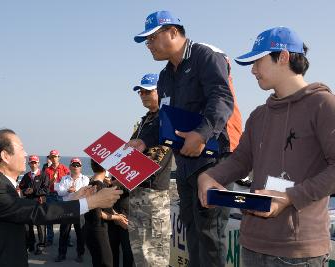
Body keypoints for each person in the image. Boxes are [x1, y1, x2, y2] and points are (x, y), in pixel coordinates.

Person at [198, 27, 333, 267]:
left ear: (282, 57)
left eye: (257, 61)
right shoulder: (259, 115)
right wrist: (210, 176)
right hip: (252, 245)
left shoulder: (323, 105)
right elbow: (241, 159)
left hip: (298, 252)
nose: (252, 70)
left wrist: (289, 197)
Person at [129, 10, 242, 267]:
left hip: (214, 159)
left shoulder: (204, 56)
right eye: (146, 41)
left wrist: (202, 134)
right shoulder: (165, 75)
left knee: (210, 234)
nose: (148, 45)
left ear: (173, 32)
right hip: (185, 163)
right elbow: (164, 117)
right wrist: (143, 141)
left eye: (151, 38)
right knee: (192, 231)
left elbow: (222, 99)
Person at [0, 129, 123, 267]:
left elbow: (30, 211)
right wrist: (92, 202)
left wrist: (74, 199)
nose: (26, 154)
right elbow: (36, 212)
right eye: (21, 148)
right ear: (5, 156)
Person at [127, 73, 173, 266]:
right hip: (136, 193)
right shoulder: (144, 121)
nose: (144, 95)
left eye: (148, 90)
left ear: (160, 91)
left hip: (154, 197)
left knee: (155, 255)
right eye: (141, 91)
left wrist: (124, 169)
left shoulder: (167, 118)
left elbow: (155, 158)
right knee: (140, 254)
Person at [84, 160, 128, 267]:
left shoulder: (91, 184)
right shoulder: (99, 186)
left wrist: (116, 215)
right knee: (106, 263)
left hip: (90, 228)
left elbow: (105, 206)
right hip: (98, 230)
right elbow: (98, 213)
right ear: (106, 168)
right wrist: (116, 218)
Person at [54, 157, 89, 263]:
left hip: (80, 207)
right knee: (64, 232)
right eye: (74, 165)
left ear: (81, 167)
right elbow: (59, 192)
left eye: (78, 165)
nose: (75, 167)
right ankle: (61, 254)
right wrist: (68, 191)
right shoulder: (65, 178)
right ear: (70, 166)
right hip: (67, 207)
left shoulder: (85, 179)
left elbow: (86, 192)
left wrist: (76, 191)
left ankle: (80, 254)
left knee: (80, 233)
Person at [18, 155, 49, 255]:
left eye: (35, 162)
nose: (33, 164)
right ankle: (30, 244)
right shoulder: (26, 176)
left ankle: (41, 245)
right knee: (28, 226)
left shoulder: (44, 175)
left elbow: (46, 189)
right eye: (31, 162)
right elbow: (21, 187)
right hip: (28, 203)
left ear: (38, 163)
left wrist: (34, 190)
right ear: (29, 164)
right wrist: (25, 191)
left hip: (40, 203)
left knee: (40, 225)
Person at [44, 149, 70, 245]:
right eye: (52, 157)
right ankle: (50, 239)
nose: (54, 158)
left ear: (58, 157)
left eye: (55, 157)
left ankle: (67, 239)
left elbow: (69, 181)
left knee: (65, 218)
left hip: (62, 195)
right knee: (49, 218)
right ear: (50, 158)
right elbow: (46, 185)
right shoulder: (47, 170)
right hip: (51, 195)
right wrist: (53, 180)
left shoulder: (65, 168)